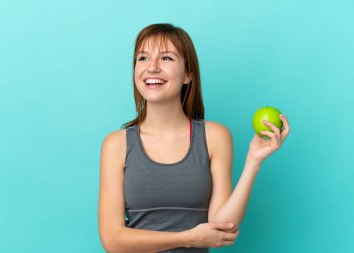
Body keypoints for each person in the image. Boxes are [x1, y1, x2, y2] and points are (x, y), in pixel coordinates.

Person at [98, 23, 291, 253]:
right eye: (143, 58)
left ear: (188, 74)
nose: (152, 68)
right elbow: (112, 240)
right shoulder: (116, 144)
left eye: (166, 58)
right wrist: (188, 238)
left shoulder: (215, 137)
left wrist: (253, 161)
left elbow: (222, 228)